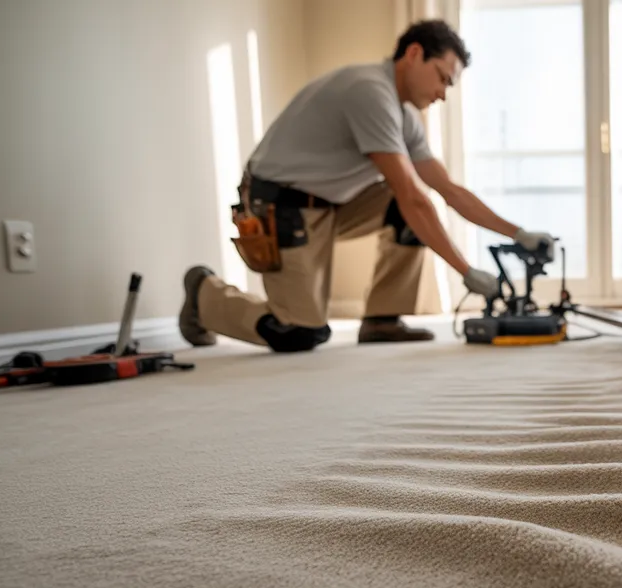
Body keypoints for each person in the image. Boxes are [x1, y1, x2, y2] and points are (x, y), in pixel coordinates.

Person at [178, 20, 556, 351]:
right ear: (414, 53)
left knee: (407, 208)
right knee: (296, 332)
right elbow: (411, 196)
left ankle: (381, 320)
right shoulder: (370, 92)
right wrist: (465, 271)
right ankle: (203, 293)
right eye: (443, 77)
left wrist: (519, 234)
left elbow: (449, 191)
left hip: (330, 204)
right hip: (280, 206)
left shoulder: (404, 115)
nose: (443, 92)